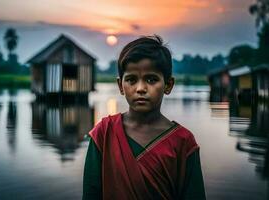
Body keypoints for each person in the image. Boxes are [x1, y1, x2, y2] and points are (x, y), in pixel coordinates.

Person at [83, 35, 206, 200]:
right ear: (121, 85)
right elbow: (91, 194)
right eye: (131, 80)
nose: (140, 88)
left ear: (168, 85)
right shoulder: (104, 133)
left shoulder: (183, 142)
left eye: (151, 79)